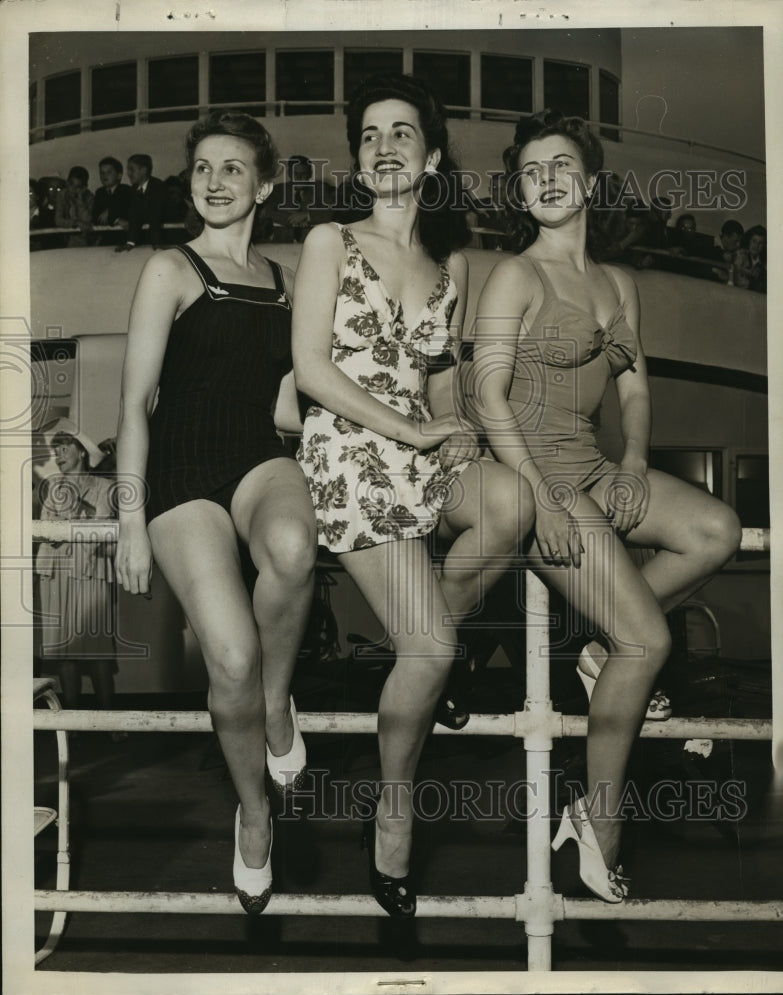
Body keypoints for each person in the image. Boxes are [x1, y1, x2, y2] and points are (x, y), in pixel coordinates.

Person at [472, 110, 741, 903]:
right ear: (520, 193)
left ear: (587, 181)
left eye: (562, 165)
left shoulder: (617, 282)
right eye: (530, 171)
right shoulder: (515, 275)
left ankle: (595, 654)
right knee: (647, 639)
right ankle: (598, 819)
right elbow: (487, 395)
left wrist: (630, 460)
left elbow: (634, 386)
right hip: (529, 473)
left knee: (715, 528)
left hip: (592, 463)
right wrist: (538, 499)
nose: (548, 178)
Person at [293, 73, 534, 918]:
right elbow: (313, 373)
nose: (385, 145)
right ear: (357, 160)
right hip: (352, 451)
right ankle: (392, 805)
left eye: (403, 132)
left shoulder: (444, 270)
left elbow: (437, 390)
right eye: (369, 134)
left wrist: (453, 427)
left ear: (430, 157)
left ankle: (440, 642)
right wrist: (416, 434)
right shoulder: (331, 242)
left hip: (420, 447)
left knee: (512, 503)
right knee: (425, 652)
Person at [114, 111, 317, 915]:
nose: (216, 180)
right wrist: (131, 518)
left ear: (263, 185)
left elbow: (287, 408)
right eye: (203, 167)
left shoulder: (283, 280)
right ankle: (255, 812)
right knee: (229, 656)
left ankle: (276, 702)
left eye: (234, 168)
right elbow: (133, 403)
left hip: (256, 456)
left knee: (295, 547)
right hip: (179, 471)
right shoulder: (170, 267)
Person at [35, 420, 121, 722]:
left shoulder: (105, 486)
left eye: (64, 447)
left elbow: (101, 528)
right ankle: (71, 725)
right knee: (65, 654)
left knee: (97, 652)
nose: (58, 454)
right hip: (56, 571)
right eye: (55, 449)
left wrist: (73, 521)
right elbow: (48, 531)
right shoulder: (51, 488)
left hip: (90, 568)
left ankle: (109, 723)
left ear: (82, 452)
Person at [263, 154, 335, 242]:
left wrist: (307, 216)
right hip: (282, 242)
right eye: (295, 173)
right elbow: (268, 212)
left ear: (310, 174)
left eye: (303, 174)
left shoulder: (320, 189)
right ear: (289, 173)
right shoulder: (278, 190)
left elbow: (332, 213)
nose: (299, 177)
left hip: (312, 242)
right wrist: (294, 218)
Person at [115, 154, 167, 251]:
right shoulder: (133, 190)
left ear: (143, 170)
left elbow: (156, 216)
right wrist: (130, 243)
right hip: (149, 241)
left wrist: (157, 244)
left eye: (131, 169)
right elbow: (134, 217)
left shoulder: (157, 186)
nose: (128, 173)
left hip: (166, 239)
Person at [92, 156, 131, 245]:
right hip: (106, 240)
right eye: (102, 173)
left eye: (109, 172)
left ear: (119, 175)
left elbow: (125, 210)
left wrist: (110, 213)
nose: (104, 175)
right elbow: (96, 216)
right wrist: (116, 220)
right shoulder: (100, 192)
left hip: (125, 239)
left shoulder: (126, 190)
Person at [54, 166, 94, 247]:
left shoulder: (89, 197)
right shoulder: (62, 195)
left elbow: (87, 220)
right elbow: (58, 220)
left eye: (78, 186)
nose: (73, 189)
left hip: (86, 241)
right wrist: (76, 223)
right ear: (67, 182)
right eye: (71, 184)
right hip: (67, 240)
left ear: (84, 187)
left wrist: (80, 200)